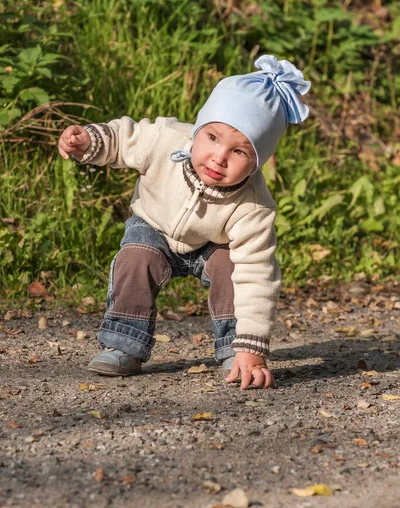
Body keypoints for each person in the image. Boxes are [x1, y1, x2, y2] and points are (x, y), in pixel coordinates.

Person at [58, 55, 311, 390]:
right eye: (212, 138)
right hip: (154, 226)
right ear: (198, 129)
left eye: (239, 152)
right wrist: (89, 141)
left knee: (232, 269)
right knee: (137, 258)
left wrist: (253, 348)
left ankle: (236, 352)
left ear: (257, 163)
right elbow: (124, 139)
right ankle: (123, 343)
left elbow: (257, 273)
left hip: (214, 243)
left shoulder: (253, 205)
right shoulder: (165, 140)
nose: (219, 157)